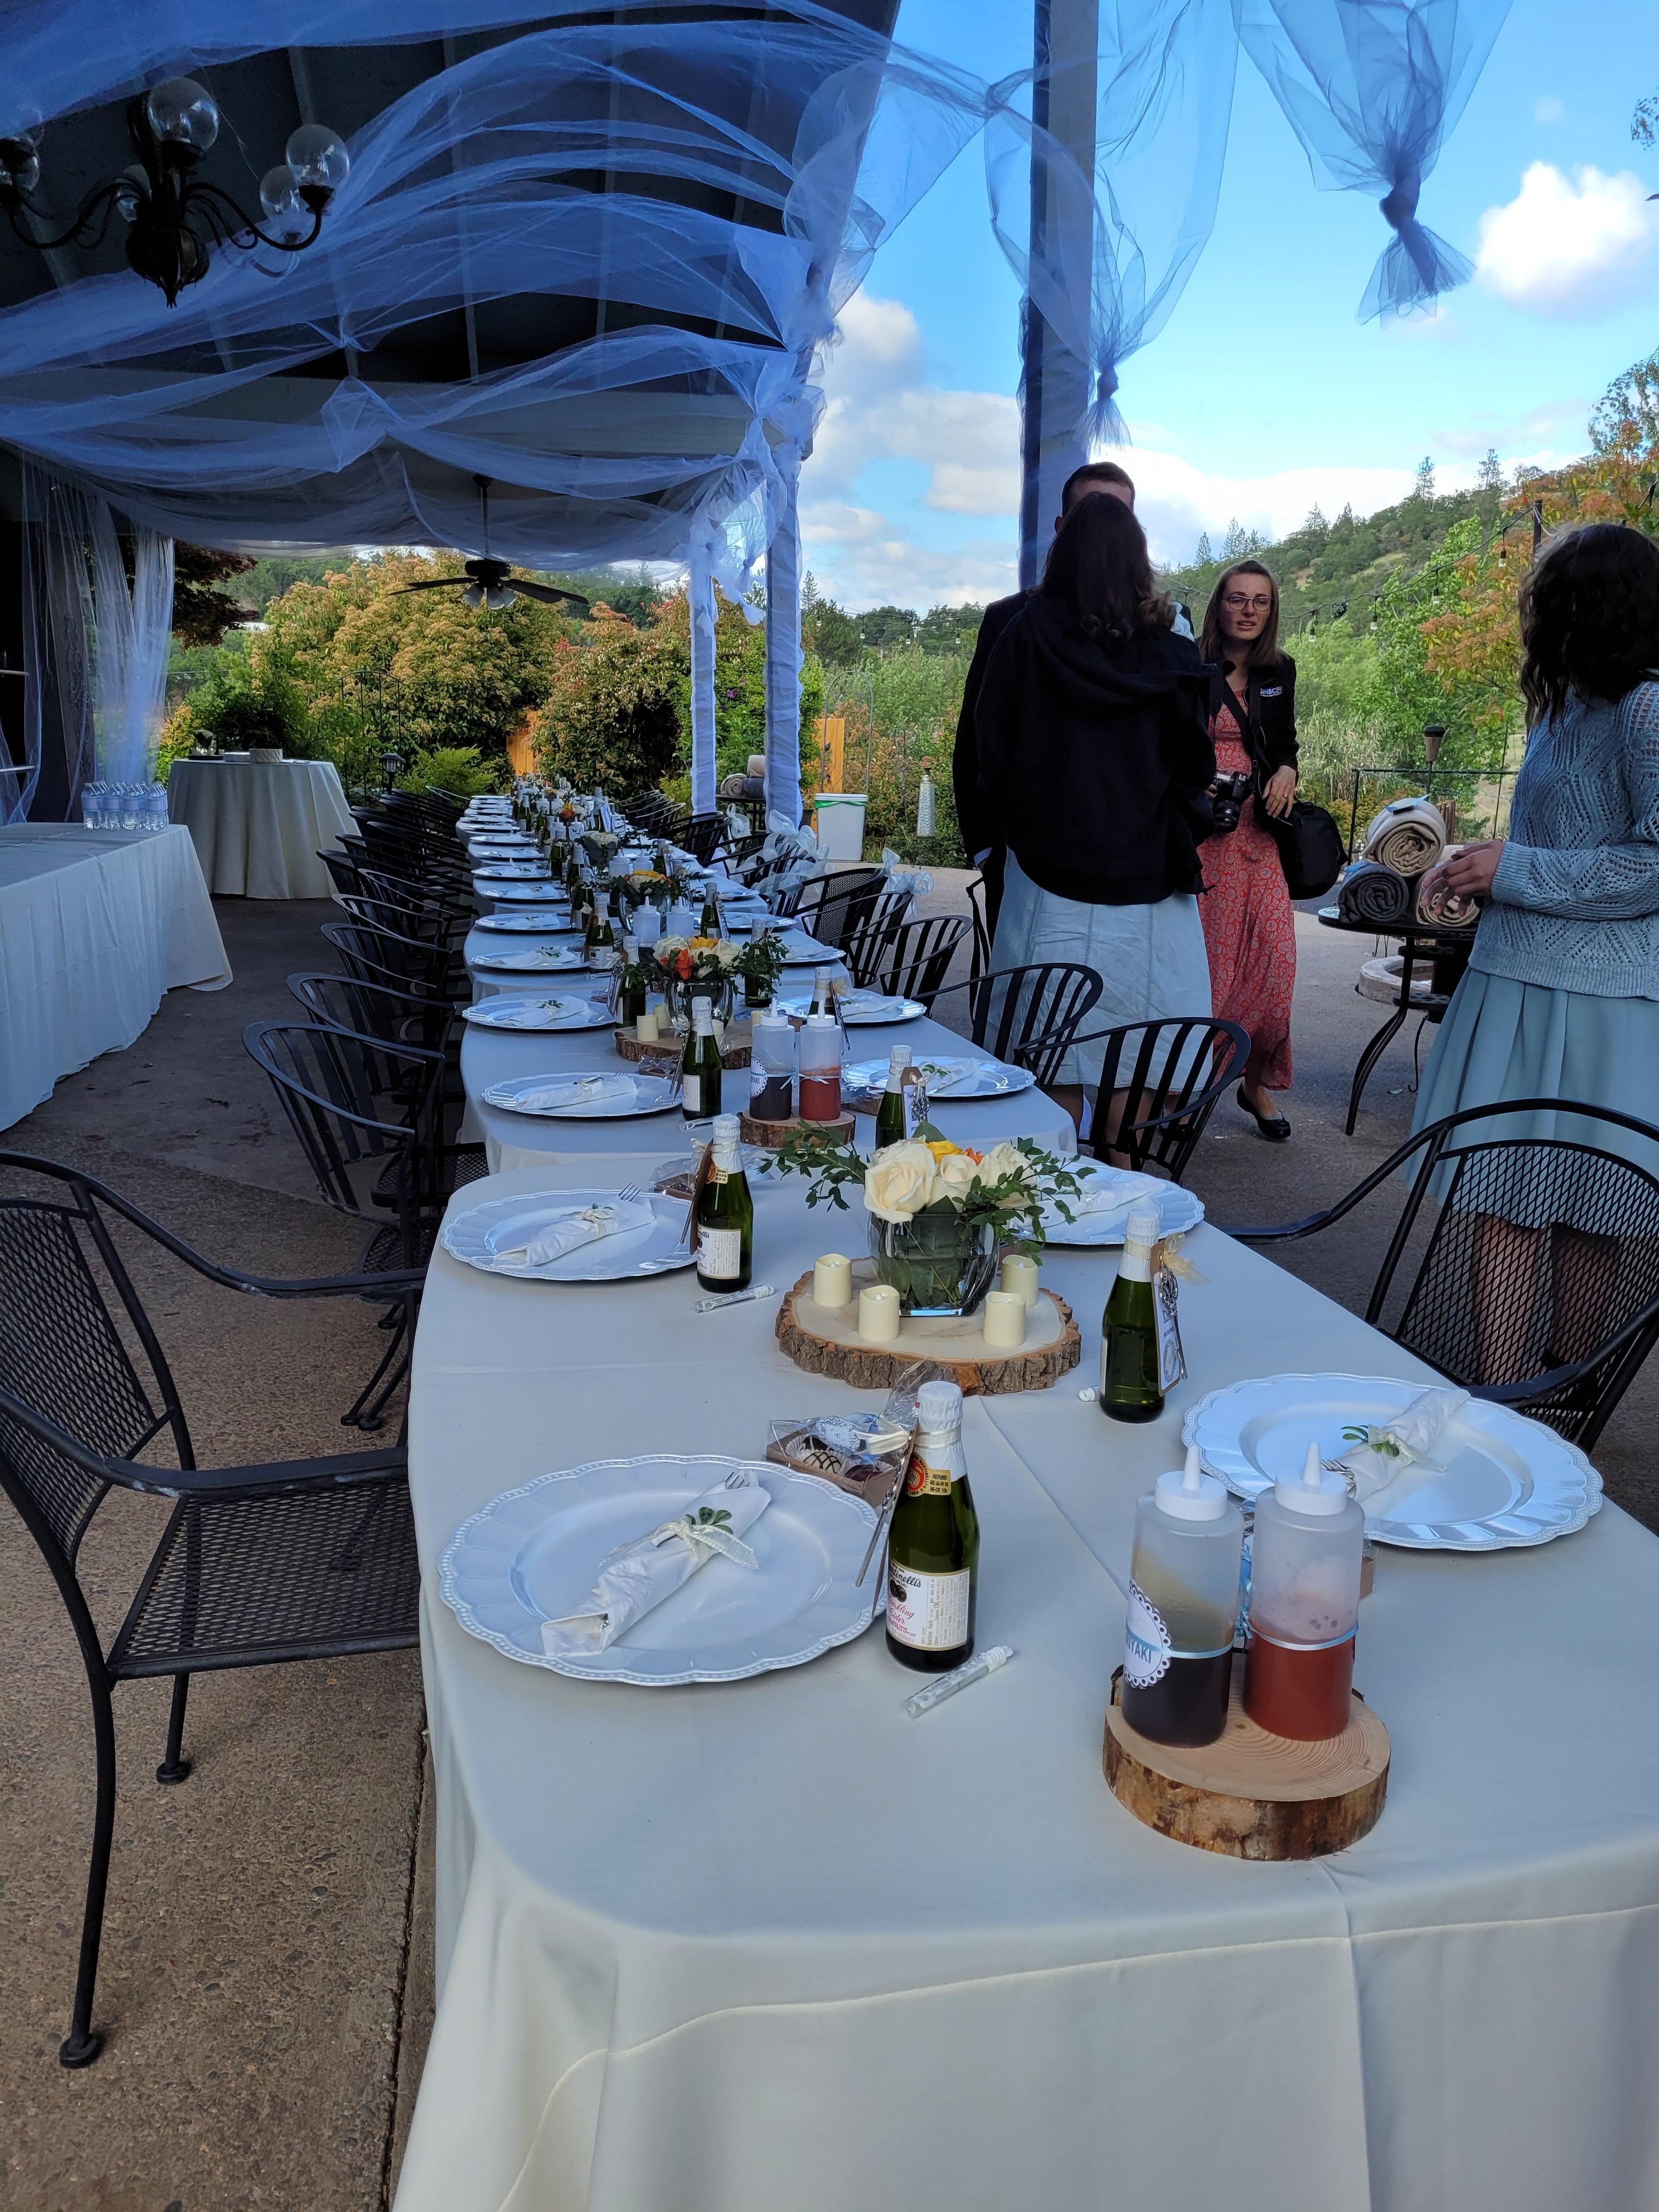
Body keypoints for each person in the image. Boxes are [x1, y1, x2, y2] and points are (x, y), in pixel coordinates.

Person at [1414, 522, 1659, 1380]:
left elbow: (1655, 864)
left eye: (1549, 590)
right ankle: (1504, 1394)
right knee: (1505, 1197)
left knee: (1591, 1206)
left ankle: (1555, 1390)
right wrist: (1474, 868)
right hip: (1516, 978)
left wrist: (1513, 871)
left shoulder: (1647, 707)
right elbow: (1556, 842)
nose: (1534, 604)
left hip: (1601, 1001)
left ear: (1592, 602)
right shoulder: (1567, 702)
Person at [974, 491, 1215, 1135]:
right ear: (1139, 561)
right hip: (1148, 876)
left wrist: (1025, 822)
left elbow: (991, 748)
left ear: (1063, 553)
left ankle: (1055, 1176)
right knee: (1140, 1043)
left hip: (1047, 874)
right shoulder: (1173, 653)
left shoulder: (1026, 634)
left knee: (1049, 1040)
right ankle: (1121, 1164)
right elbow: (1195, 767)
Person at [953, 461, 1138, 934]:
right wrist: (986, 847)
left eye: (1115, 514)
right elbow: (976, 738)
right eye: (1088, 513)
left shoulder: (1159, 633)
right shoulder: (1009, 620)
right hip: (1023, 859)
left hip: (1130, 872)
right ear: (1061, 527)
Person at [1196, 560, 1300, 1141]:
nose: (1249, 610)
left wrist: (1287, 769)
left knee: (1275, 971)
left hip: (1258, 836)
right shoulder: (1190, 665)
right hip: (1202, 836)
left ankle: (1253, 1083)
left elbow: (1284, 741)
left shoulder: (1278, 670)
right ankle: (1187, 1085)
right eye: (1238, 599)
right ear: (1219, 605)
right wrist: (1199, 783)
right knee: (1210, 974)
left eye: (1261, 601)